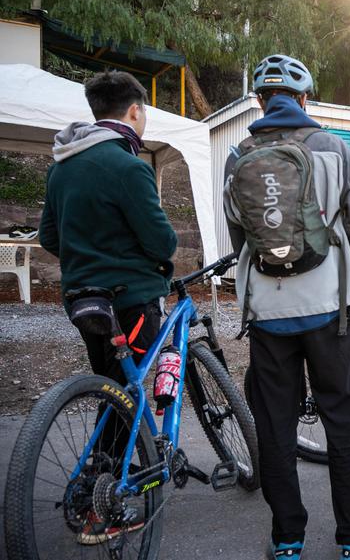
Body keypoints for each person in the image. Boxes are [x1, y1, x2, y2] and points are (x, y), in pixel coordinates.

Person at [223, 55, 350, 560]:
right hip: (329, 310)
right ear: (304, 100)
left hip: (268, 317)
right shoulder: (331, 148)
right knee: (342, 419)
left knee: (275, 425)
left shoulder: (237, 157)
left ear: (259, 102)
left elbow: (241, 237)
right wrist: (340, 273)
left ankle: (287, 539)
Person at [39, 70, 177, 544]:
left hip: (83, 301)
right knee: (128, 397)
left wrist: (89, 261)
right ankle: (103, 502)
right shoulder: (127, 166)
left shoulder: (63, 164)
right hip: (131, 299)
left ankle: (101, 472)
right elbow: (161, 239)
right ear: (134, 111)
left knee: (111, 386)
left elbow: (49, 237)